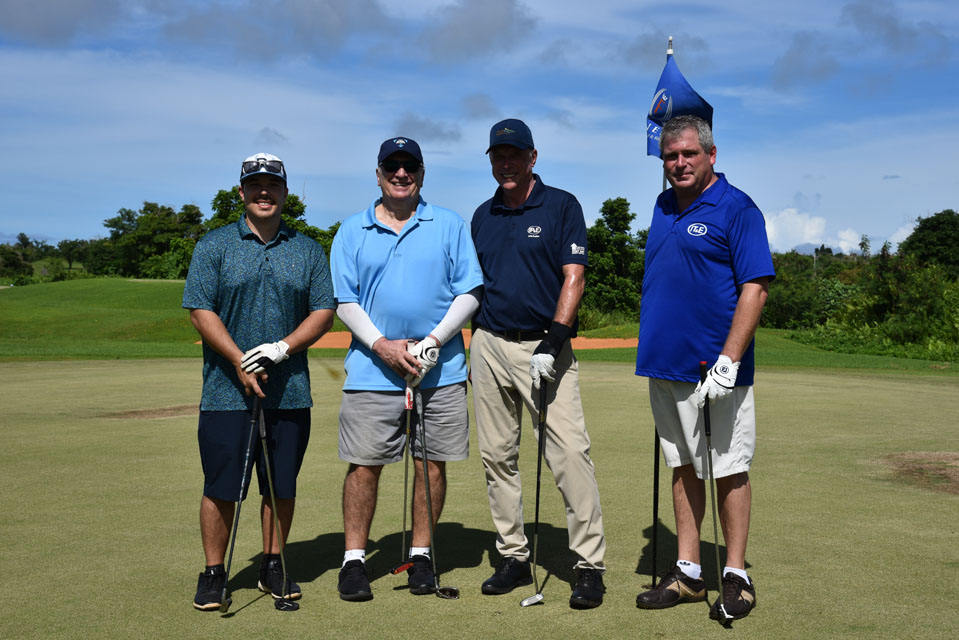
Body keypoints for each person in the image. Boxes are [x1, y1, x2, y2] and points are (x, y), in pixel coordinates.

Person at [634, 115, 774, 621]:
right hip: (665, 365)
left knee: (728, 468)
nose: (679, 163)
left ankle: (736, 577)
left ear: (711, 155)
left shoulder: (737, 207)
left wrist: (728, 361)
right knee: (683, 464)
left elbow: (755, 287)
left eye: (689, 154)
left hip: (714, 371)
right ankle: (689, 572)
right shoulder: (663, 205)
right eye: (671, 156)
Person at [330, 137, 483, 601]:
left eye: (409, 166)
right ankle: (354, 560)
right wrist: (382, 346)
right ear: (378, 174)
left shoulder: (449, 224)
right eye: (392, 166)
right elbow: (345, 300)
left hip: (441, 369)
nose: (401, 173)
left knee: (430, 464)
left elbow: (470, 292)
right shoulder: (352, 230)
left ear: (421, 173)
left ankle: (421, 556)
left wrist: (433, 342)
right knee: (364, 465)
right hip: (373, 369)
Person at [183, 152, 335, 610]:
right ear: (242, 191)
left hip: (289, 392)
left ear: (285, 193)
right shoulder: (214, 245)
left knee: (280, 486)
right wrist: (239, 360)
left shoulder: (307, 249)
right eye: (255, 185)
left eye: (272, 185)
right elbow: (200, 310)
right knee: (221, 486)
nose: (263, 192)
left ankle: (273, 563)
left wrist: (282, 348)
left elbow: (323, 312)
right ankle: (213, 572)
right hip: (225, 391)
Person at [470, 118, 607, 609]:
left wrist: (554, 341)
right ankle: (513, 555)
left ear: (532, 157)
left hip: (546, 346)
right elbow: (473, 286)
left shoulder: (562, 205)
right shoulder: (482, 215)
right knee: (497, 456)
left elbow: (574, 277)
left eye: (515, 155)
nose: (506, 163)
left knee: (569, 453)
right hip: (488, 343)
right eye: (498, 156)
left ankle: (588, 565)